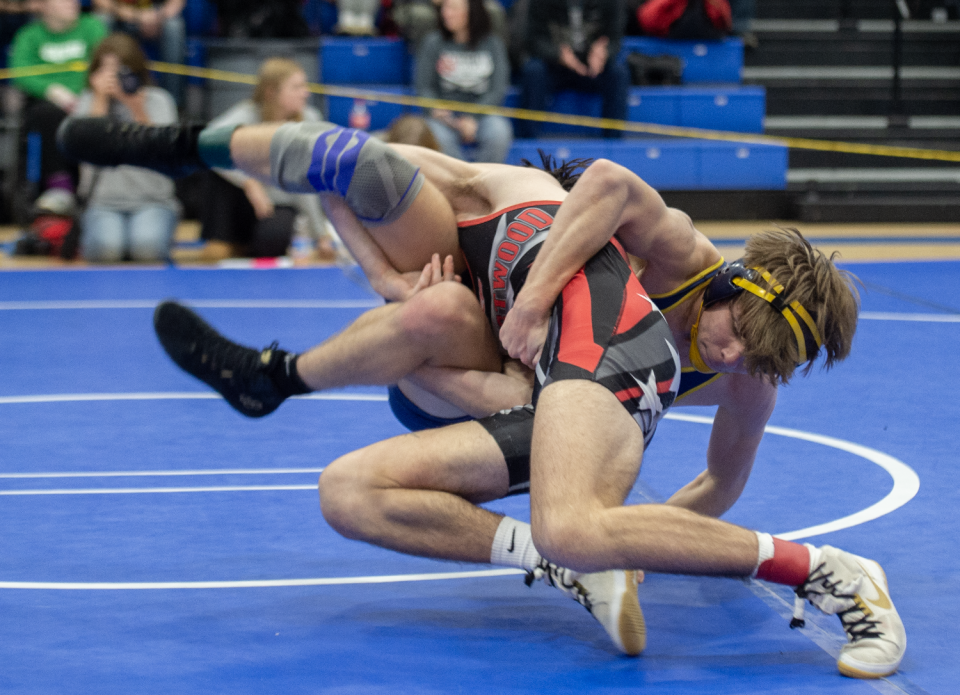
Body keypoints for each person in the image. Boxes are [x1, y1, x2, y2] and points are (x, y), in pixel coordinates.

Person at [57, 117, 906, 678]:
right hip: (494, 370)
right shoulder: (568, 220)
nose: (726, 356)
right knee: (414, 334)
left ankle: (813, 571)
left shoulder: (723, 363)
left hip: (557, 391)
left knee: (478, 493)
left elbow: (722, 481)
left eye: (755, 360)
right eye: (737, 337)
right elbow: (339, 168)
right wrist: (385, 273)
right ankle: (180, 177)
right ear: (734, 285)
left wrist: (645, 537)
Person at [198, 57, 339, 262]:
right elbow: (206, 146)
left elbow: (307, 180)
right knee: (215, 175)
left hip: (280, 201)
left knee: (270, 243)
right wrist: (248, 182)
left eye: (304, 85)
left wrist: (321, 235)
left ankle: (244, 245)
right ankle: (224, 240)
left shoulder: (309, 119)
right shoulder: (246, 115)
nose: (305, 93)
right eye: (296, 87)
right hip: (241, 199)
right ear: (271, 92)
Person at [74, 33, 179, 262]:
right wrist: (99, 100)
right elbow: (86, 147)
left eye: (121, 71)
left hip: (153, 201)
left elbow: (166, 151)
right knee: (105, 249)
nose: (115, 79)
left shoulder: (158, 100)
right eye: (107, 71)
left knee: (147, 248)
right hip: (103, 203)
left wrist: (137, 109)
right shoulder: (87, 102)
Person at [10, 0, 106, 200]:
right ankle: (60, 186)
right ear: (42, 5)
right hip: (48, 104)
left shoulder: (92, 27)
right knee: (45, 114)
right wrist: (53, 91)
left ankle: (77, 188)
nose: (73, 3)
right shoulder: (29, 35)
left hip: (89, 97)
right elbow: (20, 74)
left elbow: (103, 64)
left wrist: (79, 94)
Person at [415, 0, 512, 164]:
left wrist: (472, 117)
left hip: (482, 115)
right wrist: (434, 107)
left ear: (472, 12)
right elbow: (423, 87)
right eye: (444, 7)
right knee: (437, 136)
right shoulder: (433, 43)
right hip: (444, 117)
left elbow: (497, 90)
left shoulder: (493, 44)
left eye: (453, 8)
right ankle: (461, 183)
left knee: (499, 132)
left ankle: (482, 181)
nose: (446, 13)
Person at [517, 0, 629, 139]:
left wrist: (603, 52)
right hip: (554, 66)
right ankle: (529, 140)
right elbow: (533, 39)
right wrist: (557, 54)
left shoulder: (612, 3)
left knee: (618, 74)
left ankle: (613, 142)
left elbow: (614, 38)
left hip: (592, 67)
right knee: (533, 71)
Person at [91, 0, 185, 102]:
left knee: (174, 26)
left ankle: (173, 102)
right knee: (101, 19)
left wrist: (158, 16)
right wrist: (131, 14)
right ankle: (100, 96)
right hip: (120, 16)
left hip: (156, 16)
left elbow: (176, 2)